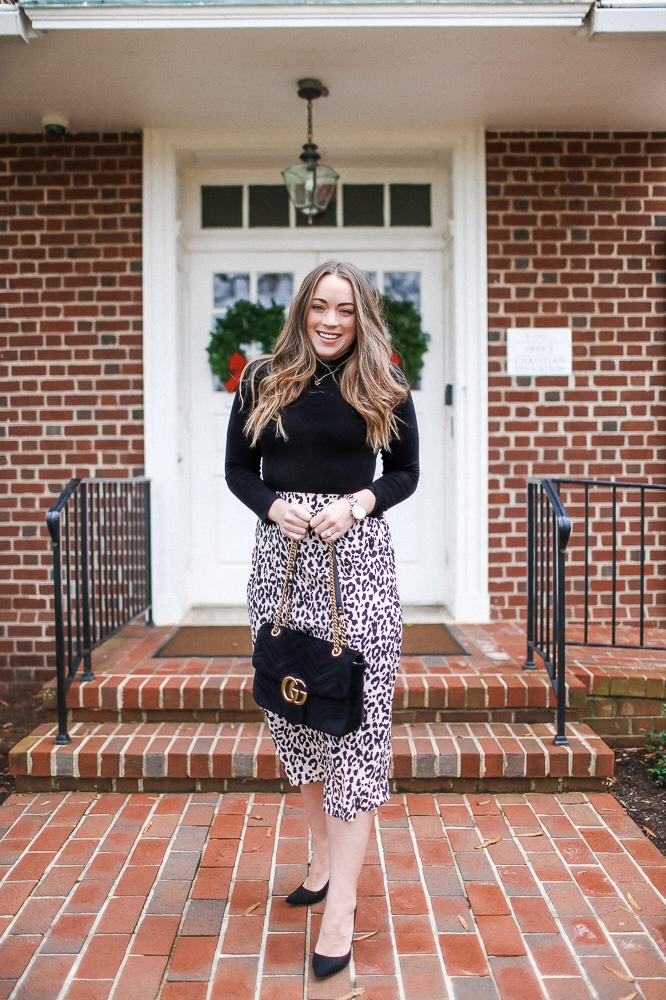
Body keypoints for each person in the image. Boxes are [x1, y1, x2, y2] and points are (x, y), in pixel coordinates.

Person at [225, 260, 419, 980]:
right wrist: (274, 507)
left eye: (344, 308)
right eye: (319, 308)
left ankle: (342, 908)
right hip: (281, 565)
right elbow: (238, 469)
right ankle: (318, 862)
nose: (331, 320)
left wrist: (358, 504)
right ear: (302, 311)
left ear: (361, 313)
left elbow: (404, 473)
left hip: (359, 565)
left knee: (356, 729)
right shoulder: (261, 377)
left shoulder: (385, 385)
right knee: (297, 713)